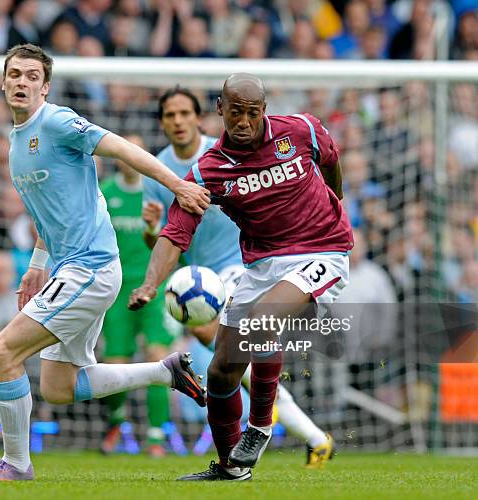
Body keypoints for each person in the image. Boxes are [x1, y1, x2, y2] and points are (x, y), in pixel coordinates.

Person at [0, 44, 209, 482]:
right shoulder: (16, 142)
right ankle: (164, 371)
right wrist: (37, 264)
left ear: (46, 88)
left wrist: (178, 185)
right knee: (58, 388)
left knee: (2, 353)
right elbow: (50, 213)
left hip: (90, 268)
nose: (22, 82)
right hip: (70, 269)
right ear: (3, 82)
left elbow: (122, 150)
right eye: (15, 74)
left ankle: (16, 465)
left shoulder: (57, 121)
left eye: (31, 77)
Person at [130, 73, 353, 481]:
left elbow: (331, 162)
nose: (245, 121)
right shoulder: (208, 171)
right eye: (236, 112)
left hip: (323, 251)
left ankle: (260, 428)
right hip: (261, 264)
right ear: (220, 109)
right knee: (221, 371)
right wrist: (149, 283)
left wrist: (335, 203)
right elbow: (176, 232)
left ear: (263, 110)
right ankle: (231, 468)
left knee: (261, 321)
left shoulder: (301, 130)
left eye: (253, 113)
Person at [99, 134, 177, 457]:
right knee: (114, 363)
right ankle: (117, 419)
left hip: (154, 288)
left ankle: (157, 437)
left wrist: (152, 228)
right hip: (116, 291)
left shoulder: (156, 193)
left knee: (158, 357)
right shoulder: (104, 194)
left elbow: (170, 241)